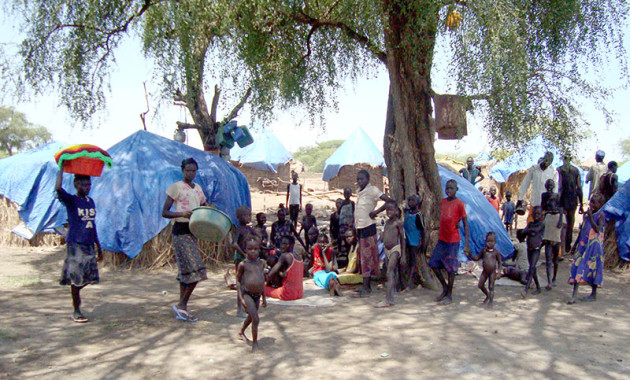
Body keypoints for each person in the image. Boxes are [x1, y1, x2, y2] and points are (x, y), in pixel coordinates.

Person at [162, 157, 208, 322]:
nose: (191, 173)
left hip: (193, 231)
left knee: (186, 272)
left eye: (194, 170)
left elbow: (203, 206)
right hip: (180, 232)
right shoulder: (176, 188)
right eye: (188, 170)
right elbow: (165, 212)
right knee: (197, 270)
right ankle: (181, 304)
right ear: (183, 171)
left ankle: (182, 309)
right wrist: (182, 213)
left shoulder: (198, 189)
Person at [55, 170, 102, 323]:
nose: (86, 187)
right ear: (75, 185)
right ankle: (76, 310)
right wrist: (61, 170)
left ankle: (74, 290)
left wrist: (98, 246)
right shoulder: (71, 200)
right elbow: (58, 189)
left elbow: (92, 224)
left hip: (88, 244)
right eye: (83, 185)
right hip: (75, 244)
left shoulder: (90, 201)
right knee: (77, 278)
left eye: (88, 185)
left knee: (90, 278)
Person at [429, 179, 471, 305]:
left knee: (451, 268)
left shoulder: (459, 204)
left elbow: (465, 223)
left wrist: (467, 244)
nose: (449, 191)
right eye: (447, 188)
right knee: (433, 263)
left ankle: (449, 295)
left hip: (453, 240)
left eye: (451, 188)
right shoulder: (443, 202)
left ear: (456, 189)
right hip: (442, 239)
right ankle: (445, 287)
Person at [353, 169, 395, 297]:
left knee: (367, 258)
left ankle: (366, 288)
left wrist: (376, 212)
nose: (359, 181)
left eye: (362, 179)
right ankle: (366, 286)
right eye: (358, 179)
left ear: (368, 179)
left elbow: (389, 201)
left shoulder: (373, 191)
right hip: (360, 228)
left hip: (368, 227)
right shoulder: (359, 192)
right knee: (362, 258)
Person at [568, 193, 606, 304]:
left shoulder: (601, 215)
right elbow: (582, 230)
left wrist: (590, 217)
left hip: (594, 248)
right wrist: (575, 245)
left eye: (595, 202)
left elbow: (598, 229)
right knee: (577, 267)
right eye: (591, 201)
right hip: (583, 246)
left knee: (593, 269)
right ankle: (574, 295)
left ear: (601, 204)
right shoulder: (586, 215)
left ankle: (593, 294)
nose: (591, 204)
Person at [237, 235, 267, 351]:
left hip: (257, 295)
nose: (253, 251)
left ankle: (241, 331)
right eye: (250, 249)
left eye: (255, 249)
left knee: (251, 317)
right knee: (256, 318)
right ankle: (255, 343)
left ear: (259, 250)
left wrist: (264, 298)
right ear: (246, 250)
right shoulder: (243, 264)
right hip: (247, 294)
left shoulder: (261, 263)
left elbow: (262, 281)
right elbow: (238, 281)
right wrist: (241, 298)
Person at [375, 202, 405, 308]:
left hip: (395, 249)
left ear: (396, 211)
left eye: (391, 210)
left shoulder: (398, 223)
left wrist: (403, 254)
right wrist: (382, 233)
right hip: (387, 250)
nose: (389, 212)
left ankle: (388, 299)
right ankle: (391, 296)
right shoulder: (387, 223)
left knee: (390, 272)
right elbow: (382, 239)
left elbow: (402, 238)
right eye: (387, 210)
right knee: (391, 273)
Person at [517, 151, 558, 222]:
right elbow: (525, 183)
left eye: (550, 161)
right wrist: (520, 198)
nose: (548, 163)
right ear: (544, 158)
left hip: (546, 205)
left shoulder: (553, 172)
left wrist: (553, 204)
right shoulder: (534, 169)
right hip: (534, 202)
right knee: (531, 223)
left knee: (544, 226)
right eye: (547, 160)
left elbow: (555, 189)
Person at [231, 206, 257, 318]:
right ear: (238, 217)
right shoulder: (239, 229)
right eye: (245, 216)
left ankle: (246, 306)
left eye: (249, 215)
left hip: (247, 258)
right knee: (240, 284)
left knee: (247, 284)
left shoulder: (248, 229)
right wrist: (243, 254)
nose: (248, 218)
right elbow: (234, 243)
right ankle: (239, 308)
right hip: (240, 258)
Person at [466, 232, 502, 308]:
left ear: (495, 242)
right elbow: (477, 258)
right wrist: (470, 255)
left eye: (491, 241)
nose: (489, 243)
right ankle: (488, 295)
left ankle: (491, 302)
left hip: (492, 272)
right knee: (480, 285)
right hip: (485, 272)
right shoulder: (484, 251)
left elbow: (500, 263)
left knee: (491, 287)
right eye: (488, 241)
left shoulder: (496, 252)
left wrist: (499, 273)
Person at [557, 154, 584, 253]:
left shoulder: (559, 170)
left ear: (563, 159)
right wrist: (581, 203)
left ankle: (563, 246)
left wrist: (557, 201)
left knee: (563, 223)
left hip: (563, 199)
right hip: (573, 199)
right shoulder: (575, 170)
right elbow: (579, 188)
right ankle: (568, 243)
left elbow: (559, 187)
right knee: (570, 222)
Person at [541, 180, 564, 290]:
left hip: (556, 240)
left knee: (555, 260)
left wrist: (559, 217)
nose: (552, 207)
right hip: (548, 240)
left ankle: (554, 277)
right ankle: (549, 281)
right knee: (549, 260)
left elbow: (562, 228)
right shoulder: (547, 216)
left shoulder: (559, 216)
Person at [266, 236, 304, 301]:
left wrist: (266, 283)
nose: (282, 246)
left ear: (292, 245)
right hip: (300, 293)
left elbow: (271, 274)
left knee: (262, 289)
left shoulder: (285, 256)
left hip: (287, 294)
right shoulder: (298, 256)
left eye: (285, 244)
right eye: (281, 243)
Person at [402, 194, 425, 290]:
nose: (410, 202)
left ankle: (410, 283)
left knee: (413, 262)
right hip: (406, 240)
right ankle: (404, 282)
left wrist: (423, 243)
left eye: (413, 200)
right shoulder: (407, 212)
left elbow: (423, 230)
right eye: (409, 200)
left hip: (414, 242)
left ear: (418, 202)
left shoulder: (418, 215)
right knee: (405, 261)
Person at [521, 206, 545, 298]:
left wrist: (527, 231)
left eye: (538, 214)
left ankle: (526, 289)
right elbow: (524, 231)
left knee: (531, 267)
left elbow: (533, 231)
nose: (536, 216)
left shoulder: (541, 224)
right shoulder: (530, 224)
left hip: (536, 249)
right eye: (534, 214)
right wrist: (527, 231)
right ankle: (538, 287)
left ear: (541, 215)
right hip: (529, 248)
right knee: (533, 268)